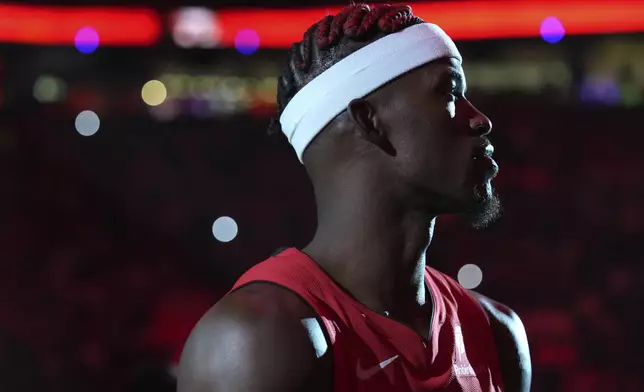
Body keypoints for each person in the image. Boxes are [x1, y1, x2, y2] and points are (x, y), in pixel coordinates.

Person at [178, 3, 531, 392]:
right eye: (449, 92)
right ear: (370, 121)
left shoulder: (495, 332)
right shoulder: (259, 341)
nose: (481, 119)